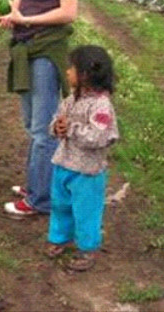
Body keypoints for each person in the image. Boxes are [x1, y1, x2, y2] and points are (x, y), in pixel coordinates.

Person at [0, 0, 78, 217]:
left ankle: (41, 201)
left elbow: (68, 12)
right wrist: (13, 12)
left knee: (45, 129)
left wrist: (28, 20)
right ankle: (37, 183)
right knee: (32, 124)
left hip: (46, 47)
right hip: (24, 44)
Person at [46, 45, 119, 272]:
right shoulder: (71, 99)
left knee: (86, 210)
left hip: (87, 171)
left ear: (85, 74)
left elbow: (98, 137)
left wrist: (71, 129)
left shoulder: (101, 106)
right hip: (64, 164)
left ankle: (87, 248)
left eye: (71, 68)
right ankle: (59, 238)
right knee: (60, 204)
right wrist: (56, 127)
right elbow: (58, 119)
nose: (67, 72)